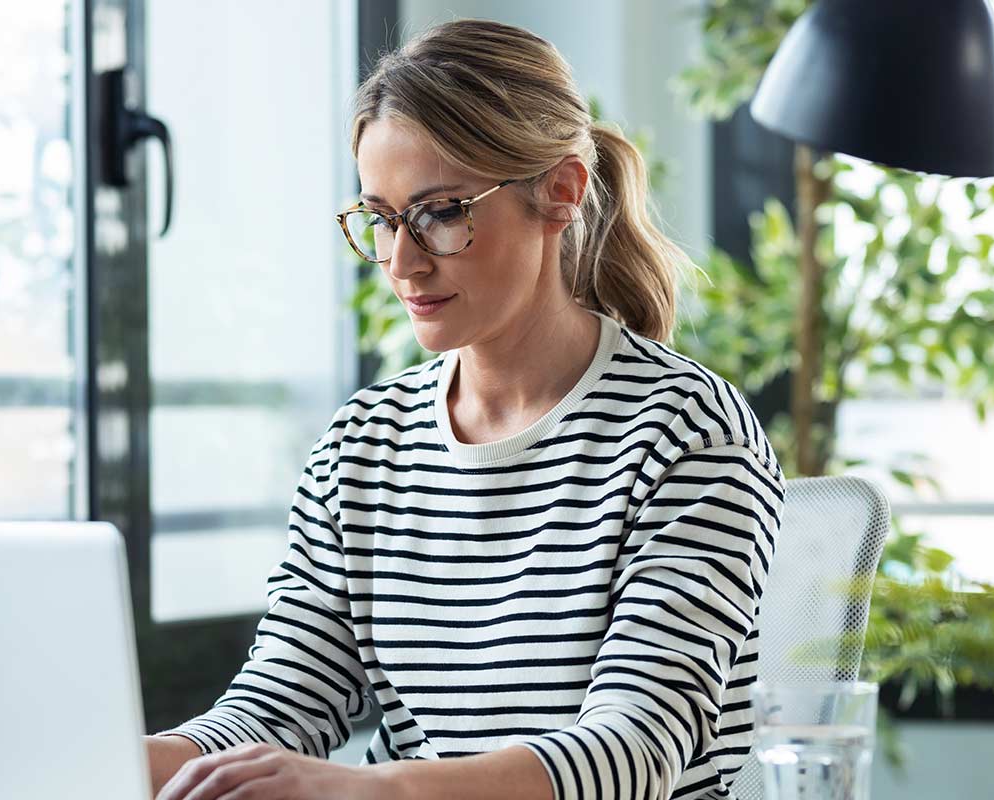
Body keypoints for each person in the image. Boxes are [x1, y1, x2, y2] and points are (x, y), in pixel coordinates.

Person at [144, 18, 783, 800]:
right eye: (380, 219)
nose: (402, 262)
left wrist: (368, 791)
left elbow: (636, 749)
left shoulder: (686, 432)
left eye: (441, 212)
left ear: (561, 192)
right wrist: (130, 759)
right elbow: (281, 704)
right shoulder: (362, 448)